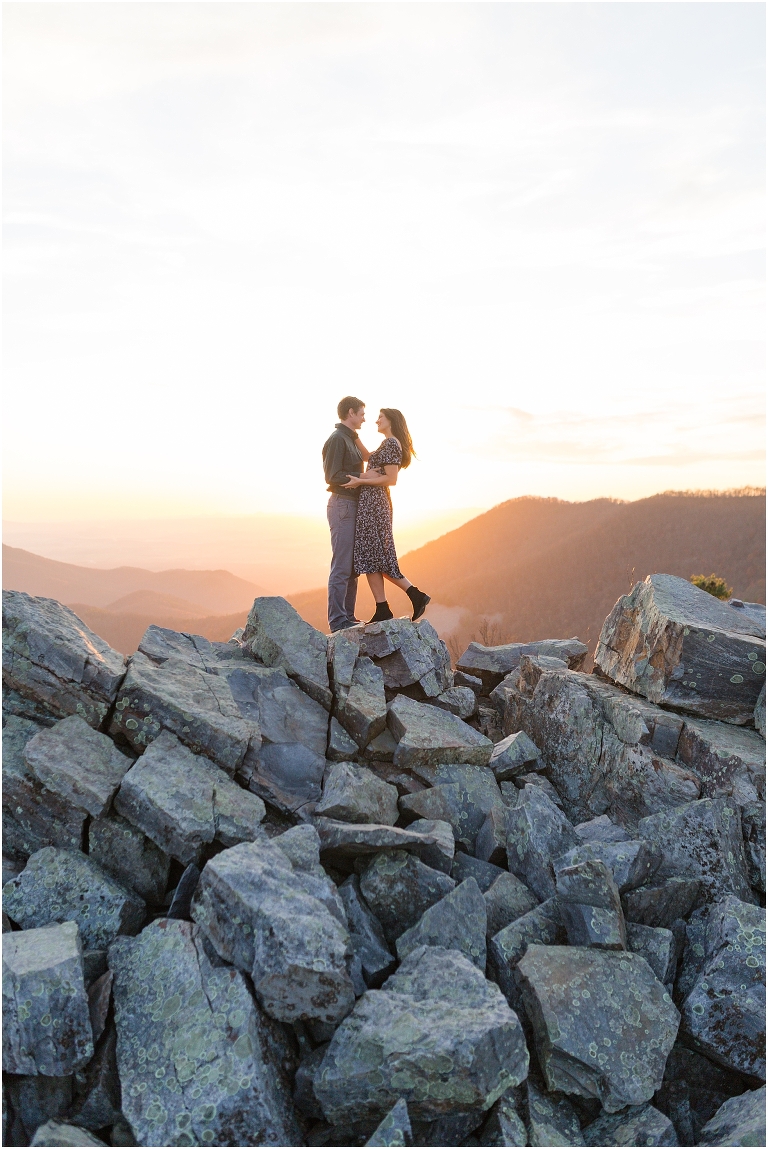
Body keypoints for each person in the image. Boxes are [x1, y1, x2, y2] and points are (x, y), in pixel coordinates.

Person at [342, 407, 431, 623]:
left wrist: (361, 480)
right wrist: (353, 434)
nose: (376, 421)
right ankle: (383, 608)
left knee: (378, 556)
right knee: (370, 557)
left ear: (391, 420)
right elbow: (368, 457)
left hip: (375, 505)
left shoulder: (392, 443)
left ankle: (415, 595)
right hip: (370, 503)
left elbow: (391, 479)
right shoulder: (387, 444)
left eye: (380, 417)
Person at [323, 396, 369, 632]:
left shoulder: (350, 438)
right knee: (341, 566)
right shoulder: (337, 439)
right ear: (351, 413)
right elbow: (332, 475)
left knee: (352, 567)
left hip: (352, 505)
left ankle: (348, 616)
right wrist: (360, 479)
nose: (364, 418)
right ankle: (337, 620)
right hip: (342, 505)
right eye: (361, 413)